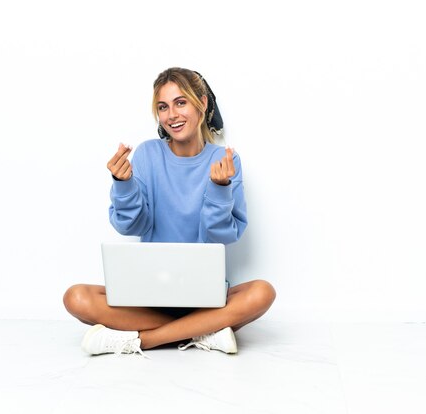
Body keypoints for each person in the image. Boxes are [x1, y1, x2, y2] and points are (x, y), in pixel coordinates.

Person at [63, 67, 276, 356]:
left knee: (262, 292)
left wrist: (219, 188)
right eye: (163, 107)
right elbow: (131, 226)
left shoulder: (224, 160)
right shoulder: (148, 154)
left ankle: (141, 340)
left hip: (204, 296)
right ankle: (203, 331)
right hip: (147, 295)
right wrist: (123, 184)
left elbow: (221, 235)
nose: (172, 115)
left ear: (201, 103)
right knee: (76, 297)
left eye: (180, 102)